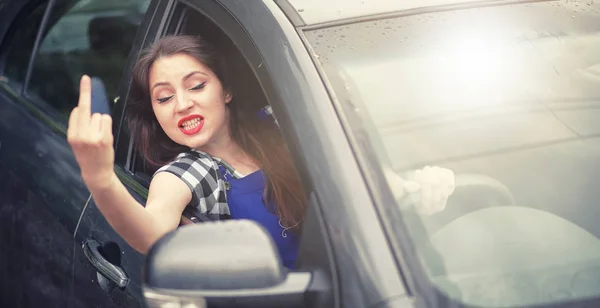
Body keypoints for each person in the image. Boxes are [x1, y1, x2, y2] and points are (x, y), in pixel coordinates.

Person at [66, 35, 455, 269]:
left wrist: (410, 189)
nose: (182, 104)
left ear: (226, 91)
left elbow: (346, 168)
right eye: (164, 97)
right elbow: (151, 234)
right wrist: (100, 179)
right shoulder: (189, 173)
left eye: (196, 86)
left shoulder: (277, 126)